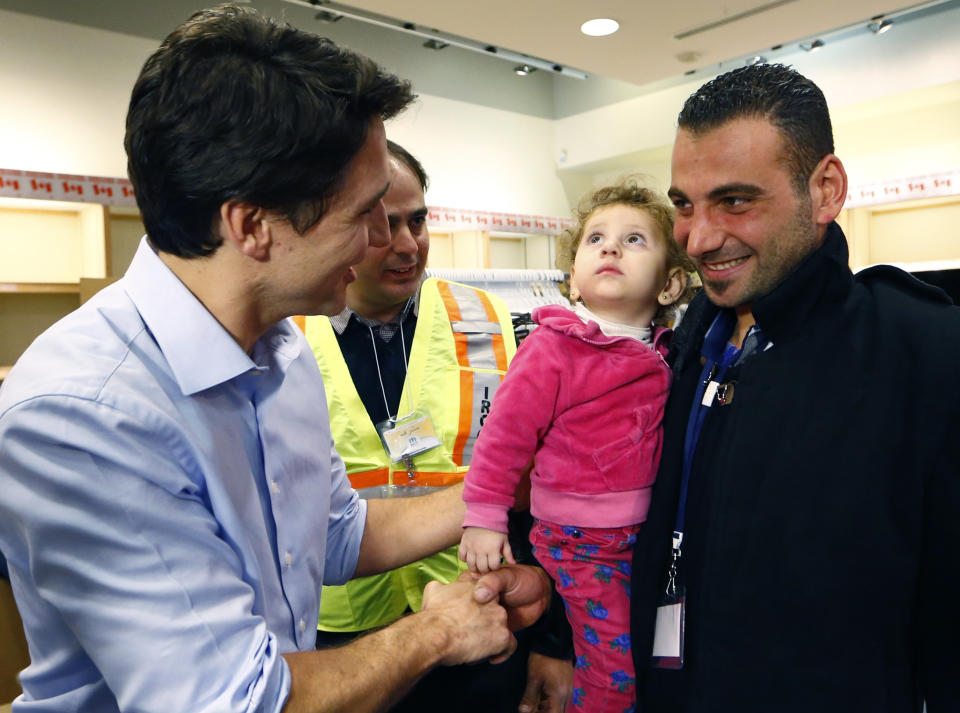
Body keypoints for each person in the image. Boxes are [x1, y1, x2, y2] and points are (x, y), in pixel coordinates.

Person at [0, 6, 551, 713]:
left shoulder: (281, 352)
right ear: (253, 226)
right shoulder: (85, 415)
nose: (388, 241)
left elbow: (339, 533)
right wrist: (439, 630)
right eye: (364, 214)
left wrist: (507, 489)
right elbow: (238, 701)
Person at [630, 63, 960, 713]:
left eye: (734, 201)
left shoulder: (922, 349)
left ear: (826, 189)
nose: (698, 238)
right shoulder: (689, 339)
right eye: (684, 205)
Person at [300, 140, 573, 713]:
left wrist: (556, 641)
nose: (406, 245)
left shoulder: (495, 322)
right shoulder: (286, 337)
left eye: (418, 220)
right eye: (382, 225)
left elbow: (552, 491)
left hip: (483, 606)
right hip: (340, 631)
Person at [460, 179, 694, 713]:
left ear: (670, 283)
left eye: (634, 240)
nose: (611, 247)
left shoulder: (667, 354)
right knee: (615, 672)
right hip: (580, 540)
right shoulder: (553, 348)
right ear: (572, 280)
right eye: (596, 239)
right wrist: (484, 514)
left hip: (642, 534)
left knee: (646, 655)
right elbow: (504, 438)